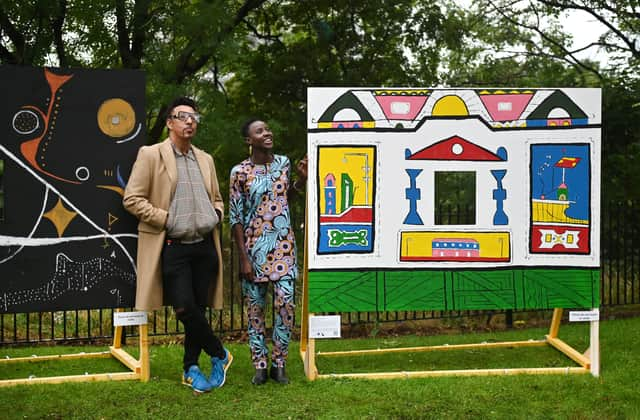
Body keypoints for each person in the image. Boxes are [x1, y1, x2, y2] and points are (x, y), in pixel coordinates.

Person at [123, 96, 232, 394]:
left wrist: (217, 214)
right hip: (173, 245)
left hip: (204, 246)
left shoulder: (205, 159)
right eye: (183, 116)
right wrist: (166, 219)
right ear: (169, 122)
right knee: (184, 308)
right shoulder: (151, 154)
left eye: (194, 117)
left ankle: (191, 368)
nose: (190, 122)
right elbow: (132, 199)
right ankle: (220, 353)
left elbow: (218, 199)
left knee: (198, 308)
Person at [229, 119, 307, 385]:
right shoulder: (239, 172)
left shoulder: (283, 164)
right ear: (249, 140)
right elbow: (235, 217)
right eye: (259, 131)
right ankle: (260, 365)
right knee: (255, 309)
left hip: (283, 245)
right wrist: (244, 258)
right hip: (253, 249)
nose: (267, 133)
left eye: (267, 129)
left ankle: (280, 363)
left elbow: (287, 198)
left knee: (286, 303)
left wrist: (301, 181)